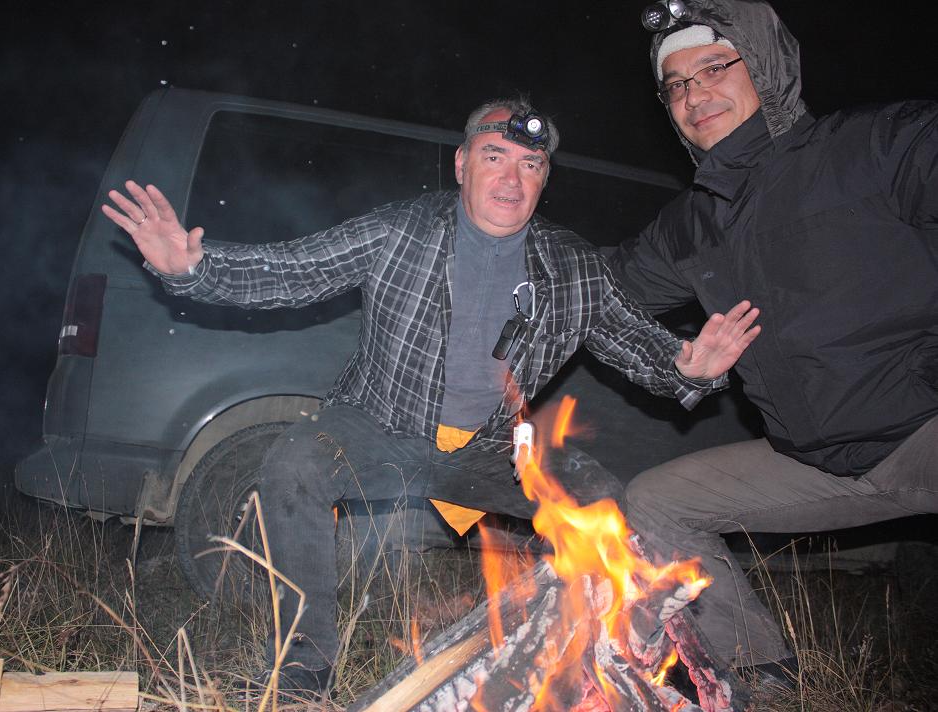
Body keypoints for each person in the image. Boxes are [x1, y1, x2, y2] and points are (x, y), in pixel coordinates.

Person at [103, 96, 759, 698]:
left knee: (599, 500)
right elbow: (294, 271)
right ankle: (302, 671)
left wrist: (690, 369)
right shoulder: (400, 230)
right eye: (494, 157)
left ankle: (582, 670)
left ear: (544, 179)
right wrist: (193, 269)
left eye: (530, 165)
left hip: (491, 448)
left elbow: (637, 344)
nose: (511, 179)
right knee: (296, 463)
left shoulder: (572, 267)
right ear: (462, 165)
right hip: (377, 426)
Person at [608, 0, 938, 679]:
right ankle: (759, 671)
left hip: (924, 432)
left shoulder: (878, 146)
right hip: (822, 460)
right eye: (676, 84)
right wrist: (492, 246)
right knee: (657, 502)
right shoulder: (692, 222)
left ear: (765, 67)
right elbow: (597, 291)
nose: (695, 94)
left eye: (714, 68)